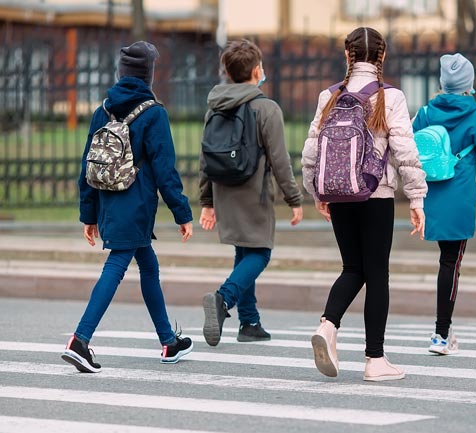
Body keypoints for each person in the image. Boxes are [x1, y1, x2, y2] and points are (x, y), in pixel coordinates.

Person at [301, 27, 427, 381]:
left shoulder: (329, 95)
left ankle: (328, 325)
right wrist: (416, 198)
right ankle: (375, 360)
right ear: (382, 58)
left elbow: (311, 149)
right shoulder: (390, 97)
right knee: (377, 274)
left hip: (338, 192)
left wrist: (317, 191)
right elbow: (405, 151)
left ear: (347, 55)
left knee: (352, 268)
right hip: (376, 195)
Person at [62, 41, 194, 373]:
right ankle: (80, 340)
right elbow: (165, 169)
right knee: (117, 265)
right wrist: (182, 213)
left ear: (122, 74)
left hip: (109, 205)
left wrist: (88, 215)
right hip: (135, 206)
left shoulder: (102, 110)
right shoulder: (153, 113)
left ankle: (169, 342)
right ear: (148, 75)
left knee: (148, 266)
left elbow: (87, 167)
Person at [199, 39, 303, 346]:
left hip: (224, 191)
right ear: (257, 70)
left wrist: (207, 201)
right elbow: (279, 160)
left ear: (228, 72)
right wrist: (294, 199)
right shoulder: (266, 109)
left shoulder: (214, 108)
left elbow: (205, 158)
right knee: (260, 252)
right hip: (253, 191)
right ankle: (223, 298)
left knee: (244, 250)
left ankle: (249, 322)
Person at [411, 53, 476, 355]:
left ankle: (444, 331)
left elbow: (410, 147)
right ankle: (441, 334)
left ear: (442, 83)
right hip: (459, 199)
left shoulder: (425, 112)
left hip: (432, 195)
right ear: (469, 84)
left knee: (446, 262)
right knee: (451, 263)